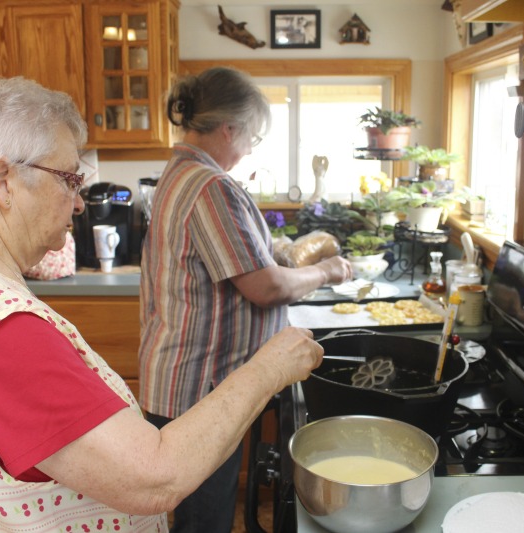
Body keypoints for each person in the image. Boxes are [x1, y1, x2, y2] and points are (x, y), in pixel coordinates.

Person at [0, 75, 325, 532]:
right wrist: (270, 367)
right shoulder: (2, 333)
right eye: (69, 179)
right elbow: (154, 478)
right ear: (3, 181)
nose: (80, 203)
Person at [138, 66, 352, 533]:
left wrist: (279, 251)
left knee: (198, 513)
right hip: (200, 387)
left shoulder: (181, 173)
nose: (250, 149)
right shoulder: (211, 187)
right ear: (229, 128)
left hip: (182, 380)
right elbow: (266, 287)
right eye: (252, 137)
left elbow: (234, 259)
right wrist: (327, 270)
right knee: (205, 520)